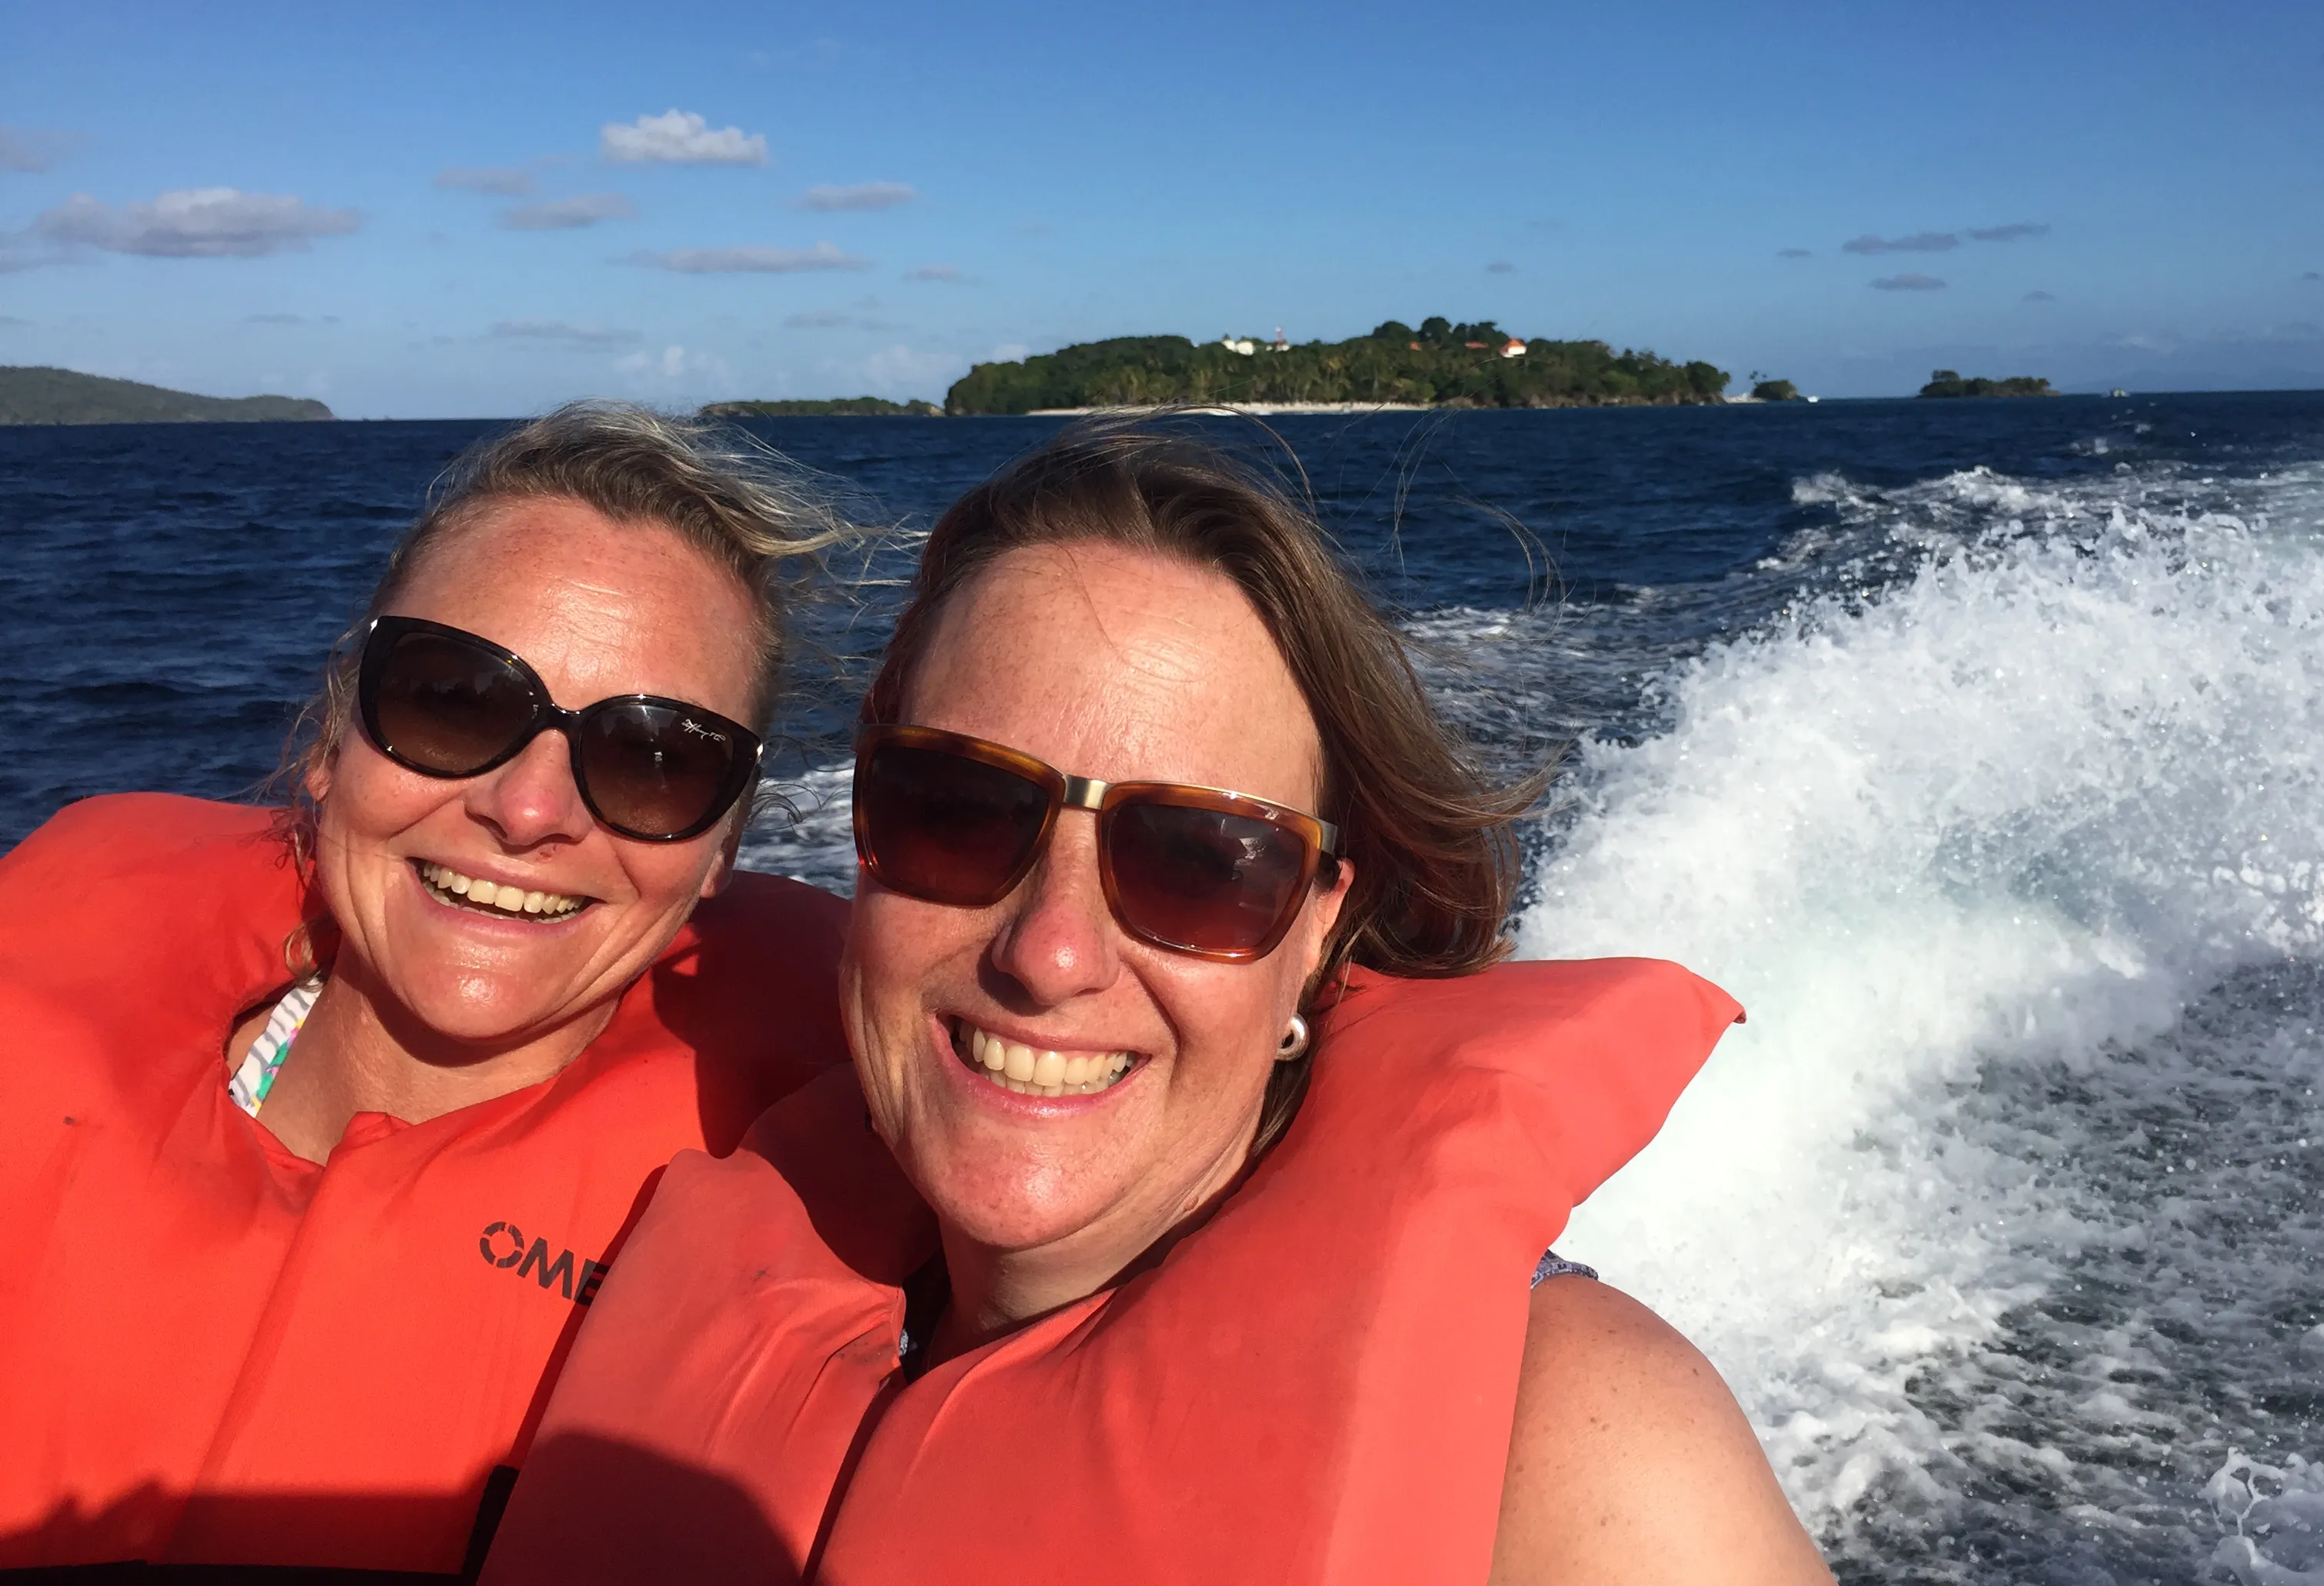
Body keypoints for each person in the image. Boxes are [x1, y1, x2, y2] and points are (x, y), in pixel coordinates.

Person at [486, 423, 1833, 1584]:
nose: (1053, 953)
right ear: (861, 823)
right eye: (959, 809)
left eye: (1201, 861)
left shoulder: (1575, 1451)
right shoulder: (692, 1212)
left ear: (1314, 930)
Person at [0, 403, 887, 1574]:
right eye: (453, 698)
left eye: (656, 758)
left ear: (723, 846)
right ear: (333, 737)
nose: (527, 811)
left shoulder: (851, 1174)